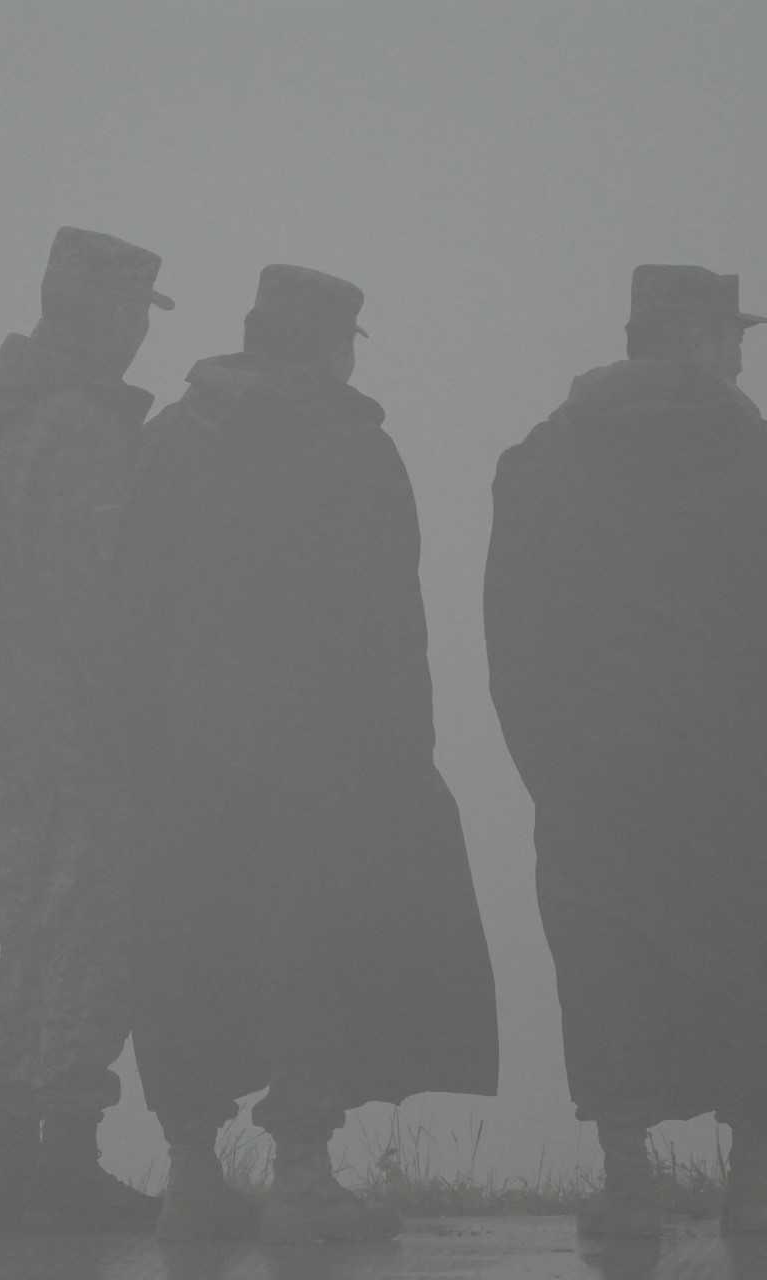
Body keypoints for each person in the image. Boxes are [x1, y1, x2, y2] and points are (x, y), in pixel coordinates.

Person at [484, 265, 767, 1237]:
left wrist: (557, 768)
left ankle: (626, 1177)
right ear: (695, 340)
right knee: (758, 963)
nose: (739, 355)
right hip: (749, 780)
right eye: (730, 335)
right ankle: (753, 1178)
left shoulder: (540, 460)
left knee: (610, 964)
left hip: (600, 784)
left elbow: (513, 639)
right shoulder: (765, 460)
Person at [116, 265, 499, 1243]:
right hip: (320, 760)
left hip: (180, 759)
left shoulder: (165, 443)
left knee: (191, 948)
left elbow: (127, 605)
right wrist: (404, 751)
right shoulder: (351, 448)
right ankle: (300, 1174)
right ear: (329, 342)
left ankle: (193, 1173)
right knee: (307, 952)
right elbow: (389, 617)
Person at [0, 226, 174, 1232]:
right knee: (88, 933)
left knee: (25, 933)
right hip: (84, 724)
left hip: (13, 723)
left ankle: (10, 1163)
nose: (138, 333)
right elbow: (104, 594)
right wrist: (138, 713)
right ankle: (67, 1163)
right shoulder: (78, 426)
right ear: (99, 311)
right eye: (131, 311)